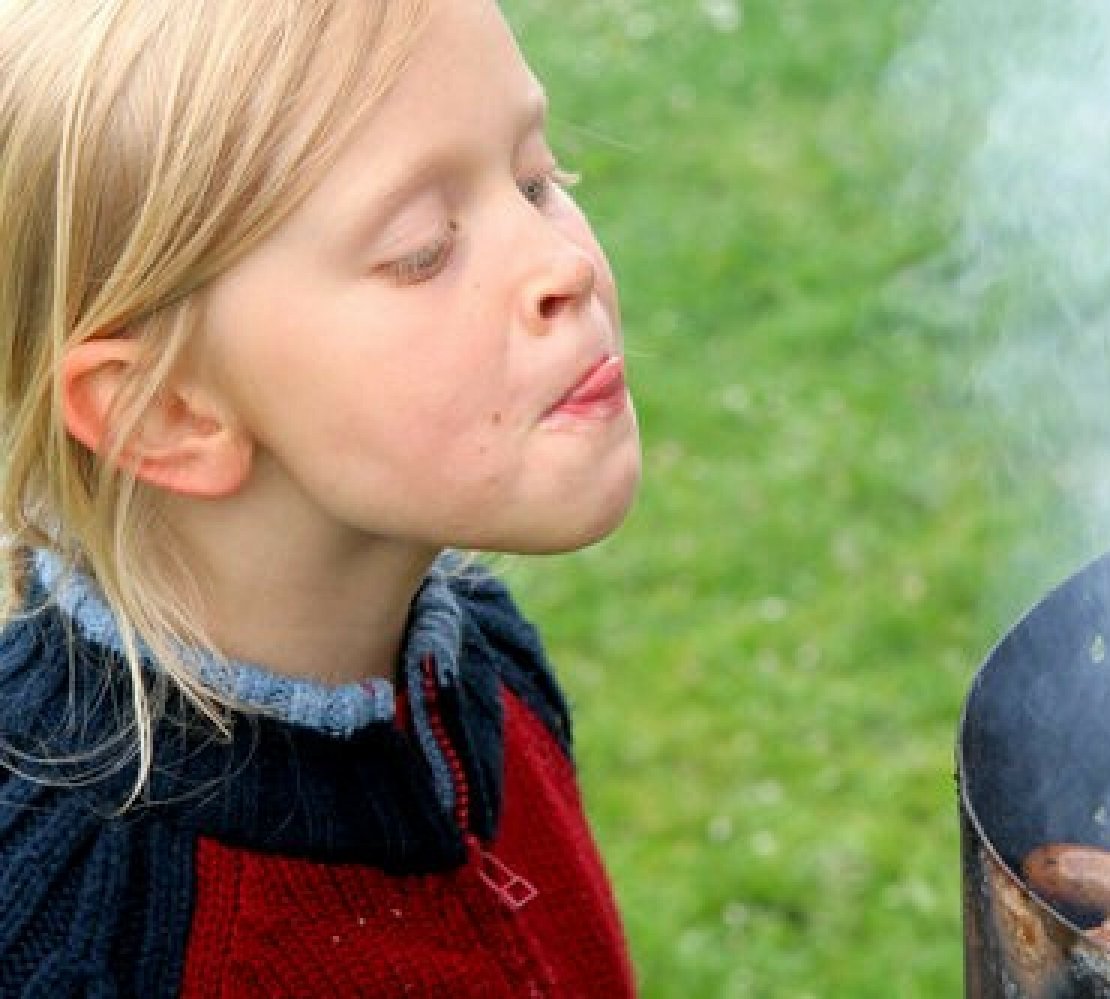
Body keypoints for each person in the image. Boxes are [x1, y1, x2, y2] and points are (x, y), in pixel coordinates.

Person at [0, 0, 642, 994]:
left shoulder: (482, 664)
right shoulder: (77, 943)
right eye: (425, 248)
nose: (563, 264)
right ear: (163, 413)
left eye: (537, 179)